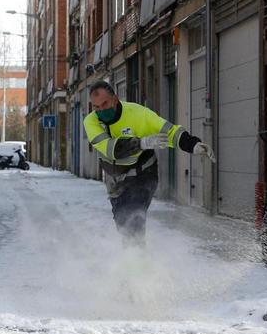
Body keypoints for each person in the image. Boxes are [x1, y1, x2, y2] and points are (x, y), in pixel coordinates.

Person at [84, 80, 216, 246]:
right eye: (96, 107)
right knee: (123, 223)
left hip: (143, 173)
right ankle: (133, 258)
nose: (102, 110)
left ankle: (138, 263)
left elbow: (169, 131)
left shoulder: (138, 114)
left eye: (105, 104)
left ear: (115, 99)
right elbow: (110, 149)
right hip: (115, 179)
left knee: (134, 219)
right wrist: (142, 143)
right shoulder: (91, 122)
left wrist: (193, 145)